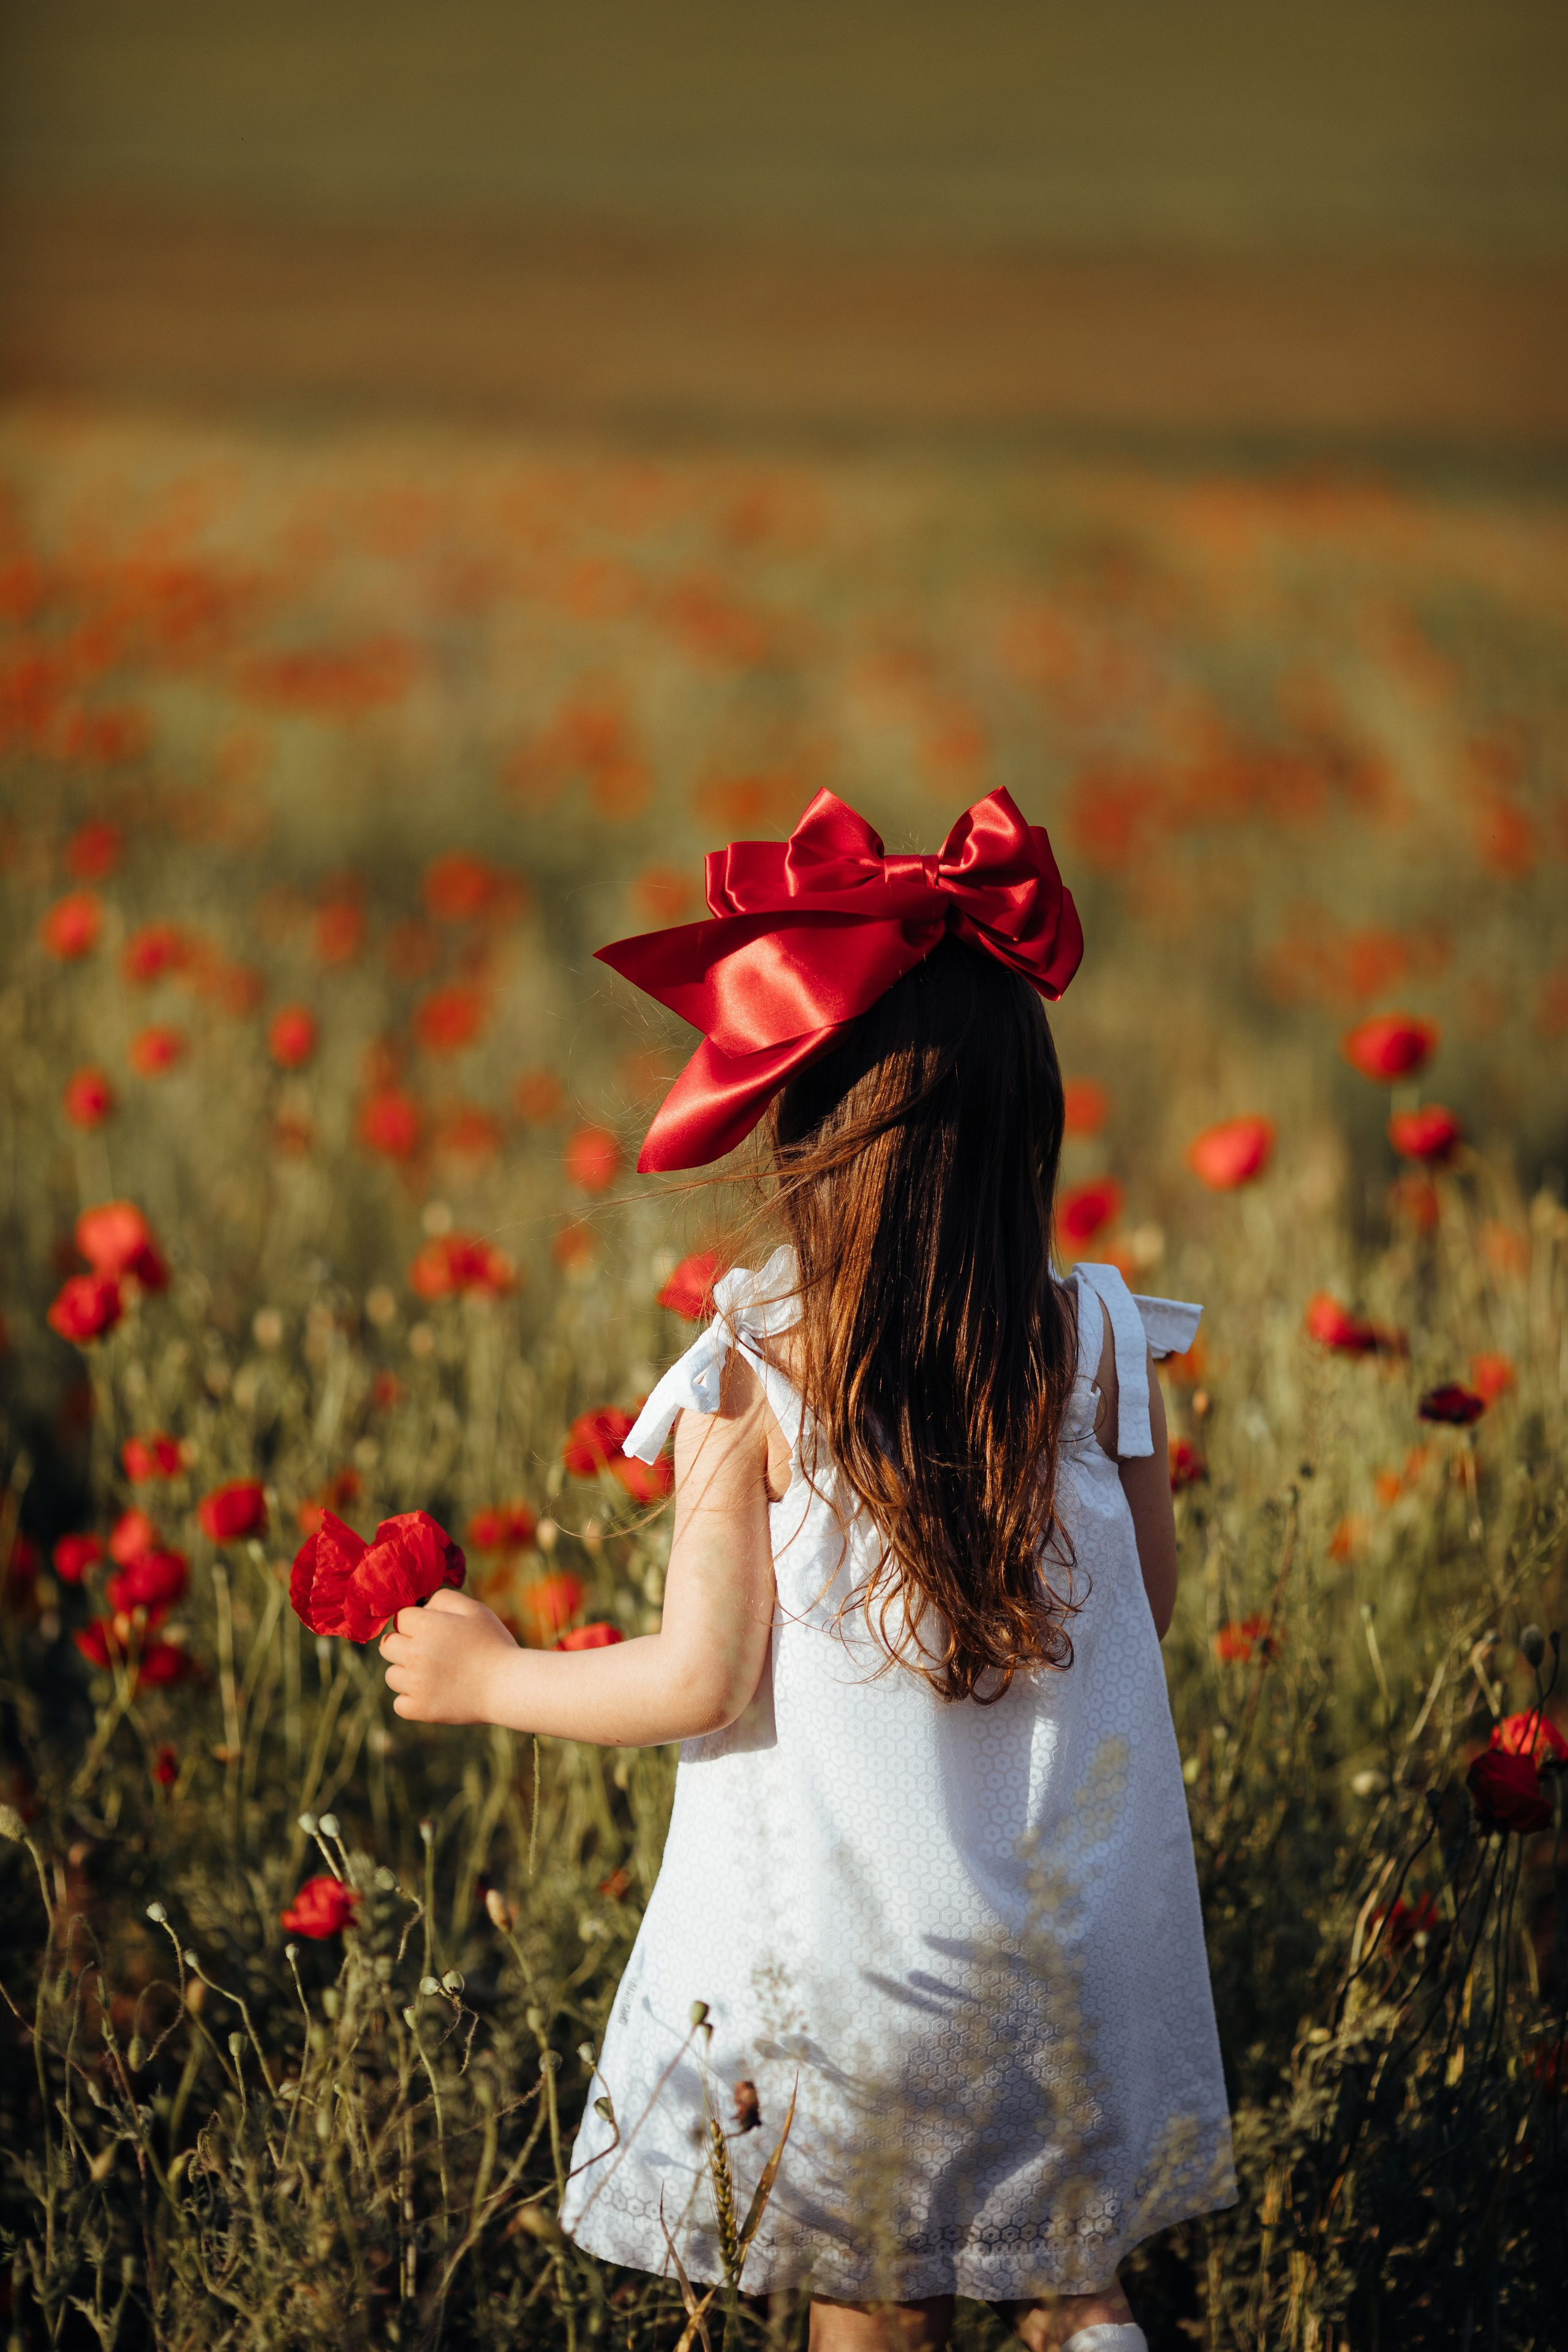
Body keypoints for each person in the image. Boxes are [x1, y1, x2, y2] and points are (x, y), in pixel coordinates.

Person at [379, 789, 1235, 2351]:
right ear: (1028, 1139)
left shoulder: (761, 1372)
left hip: (863, 1963)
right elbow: (1146, 1614)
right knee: (1065, 2265)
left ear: (810, 1139)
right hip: (1076, 1946)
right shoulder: (1100, 1346)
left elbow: (698, 1678)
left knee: (872, 2297)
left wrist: (489, 1677)